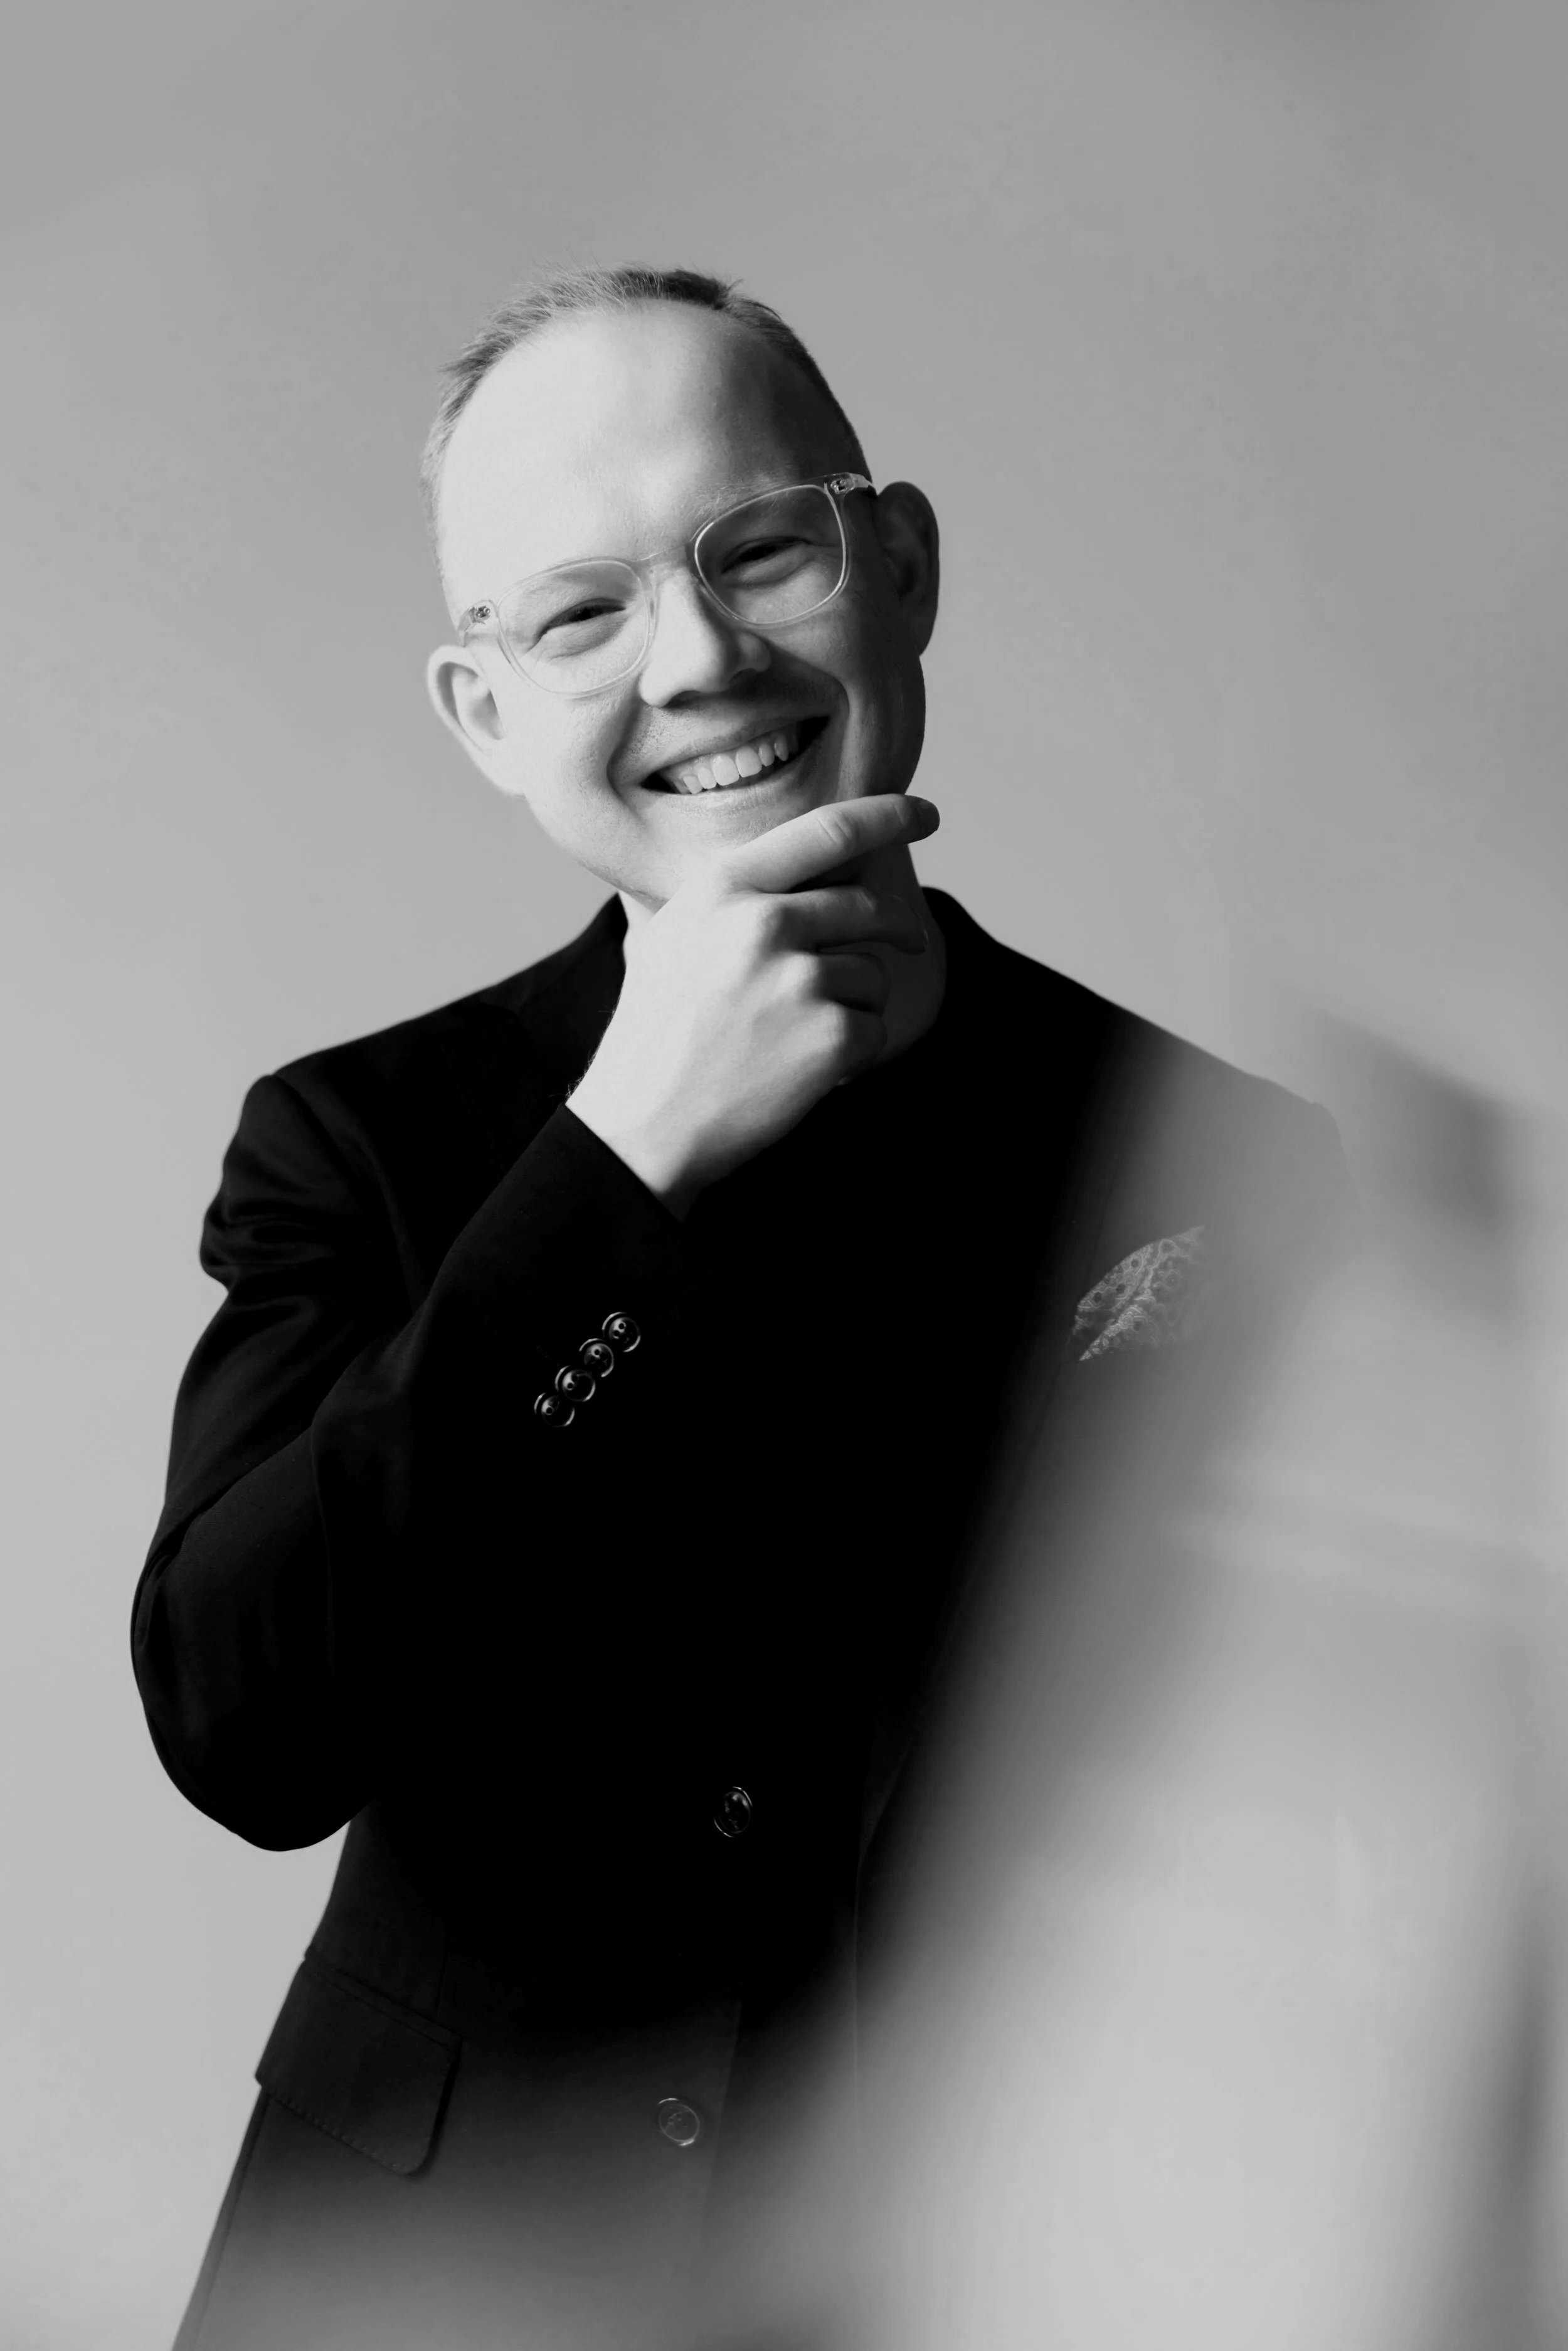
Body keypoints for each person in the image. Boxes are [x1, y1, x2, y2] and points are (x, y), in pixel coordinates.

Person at [132, 265, 1347, 2350]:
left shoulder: (1229, 1162)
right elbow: (245, 1727)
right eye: (578, 614)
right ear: (485, 712)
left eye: (759, 551)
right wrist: (617, 1162)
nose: (697, 661)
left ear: (902, 567)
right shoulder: (357, 1139)